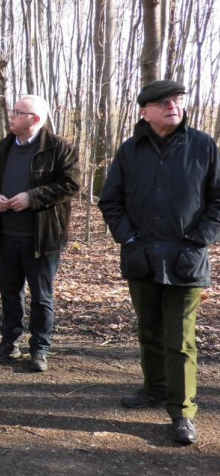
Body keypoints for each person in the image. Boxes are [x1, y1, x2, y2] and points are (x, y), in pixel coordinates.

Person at [99, 80, 220, 445]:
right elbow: (111, 202)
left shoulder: (202, 146)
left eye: (177, 100)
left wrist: (200, 238)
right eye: (163, 102)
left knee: (180, 338)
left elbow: (218, 200)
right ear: (144, 111)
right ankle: (153, 389)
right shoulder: (130, 151)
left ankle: (182, 411)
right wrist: (130, 238)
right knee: (149, 328)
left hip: (186, 258)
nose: (173, 105)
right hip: (142, 257)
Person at [0, 94, 79, 372]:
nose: (11, 116)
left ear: (34, 120)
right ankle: (9, 342)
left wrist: (32, 198)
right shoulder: (4, 147)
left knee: (41, 295)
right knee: (9, 291)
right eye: (13, 111)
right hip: (8, 234)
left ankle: (40, 348)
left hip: (42, 237)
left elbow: (70, 185)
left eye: (18, 112)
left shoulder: (59, 149)